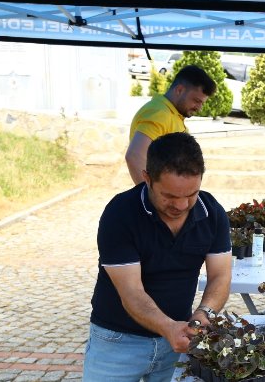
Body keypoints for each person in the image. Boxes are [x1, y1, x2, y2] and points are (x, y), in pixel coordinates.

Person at [84, 132, 232, 382]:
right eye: (170, 196)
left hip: (179, 340)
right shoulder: (120, 214)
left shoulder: (212, 212)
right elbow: (131, 292)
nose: (182, 205)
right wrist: (168, 327)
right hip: (117, 342)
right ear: (147, 178)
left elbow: (220, 275)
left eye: (191, 194)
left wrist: (202, 315)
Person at [125, 65, 217, 185]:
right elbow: (134, 156)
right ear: (179, 90)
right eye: (196, 100)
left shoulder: (170, 113)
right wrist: (151, 198)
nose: (199, 107)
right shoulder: (159, 113)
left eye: (202, 103)